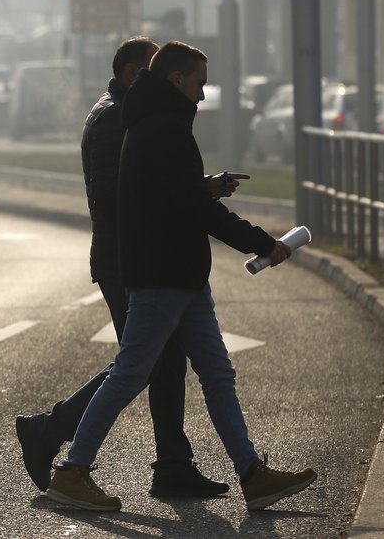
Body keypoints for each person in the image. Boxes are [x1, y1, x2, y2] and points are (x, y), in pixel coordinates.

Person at [45, 41, 315, 513]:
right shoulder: (162, 128)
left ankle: (253, 475)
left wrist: (205, 191)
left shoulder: (156, 123)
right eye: (199, 83)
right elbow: (192, 208)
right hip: (161, 274)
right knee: (131, 373)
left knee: (216, 373)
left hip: (182, 275)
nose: (204, 95)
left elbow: (177, 195)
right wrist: (263, 243)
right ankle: (72, 471)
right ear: (176, 80)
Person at [16, 37, 246, 500]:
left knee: (161, 362)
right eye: (148, 70)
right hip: (129, 261)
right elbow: (129, 194)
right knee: (141, 365)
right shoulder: (114, 119)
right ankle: (53, 432)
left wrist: (198, 187)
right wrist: (195, 196)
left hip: (142, 257)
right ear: (129, 74)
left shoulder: (133, 115)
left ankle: (173, 464)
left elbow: (157, 185)